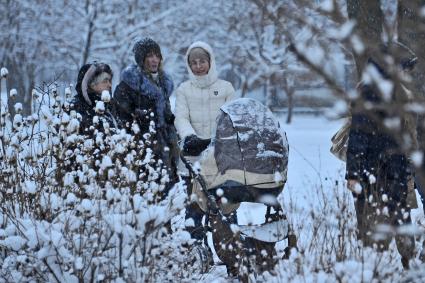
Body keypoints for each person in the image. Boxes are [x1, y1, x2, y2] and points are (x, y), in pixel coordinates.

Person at [346, 45, 417, 269]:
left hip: (384, 168)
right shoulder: (374, 94)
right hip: (379, 169)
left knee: (380, 216)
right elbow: (358, 136)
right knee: (392, 214)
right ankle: (391, 262)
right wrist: (354, 174)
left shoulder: (392, 93)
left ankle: (385, 261)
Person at [174, 41, 236, 244]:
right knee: (194, 206)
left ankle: (231, 251)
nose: (198, 66)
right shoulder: (184, 90)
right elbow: (181, 117)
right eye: (194, 62)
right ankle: (195, 247)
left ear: (210, 61)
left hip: (221, 158)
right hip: (193, 158)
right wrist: (190, 136)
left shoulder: (225, 88)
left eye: (202, 61)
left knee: (226, 206)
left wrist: (218, 140)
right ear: (189, 65)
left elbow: (232, 118)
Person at [114, 38, 179, 197]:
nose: (154, 59)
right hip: (140, 150)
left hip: (164, 148)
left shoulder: (163, 84)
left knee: (164, 194)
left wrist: (171, 123)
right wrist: (139, 118)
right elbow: (120, 118)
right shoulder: (127, 86)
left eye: (157, 55)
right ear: (141, 59)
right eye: (150, 56)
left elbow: (166, 115)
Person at [72, 62, 118, 134]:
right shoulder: (75, 108)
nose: (110, 85)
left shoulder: (111, 106)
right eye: (105, 81)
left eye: (110, 81)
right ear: (91, 84)